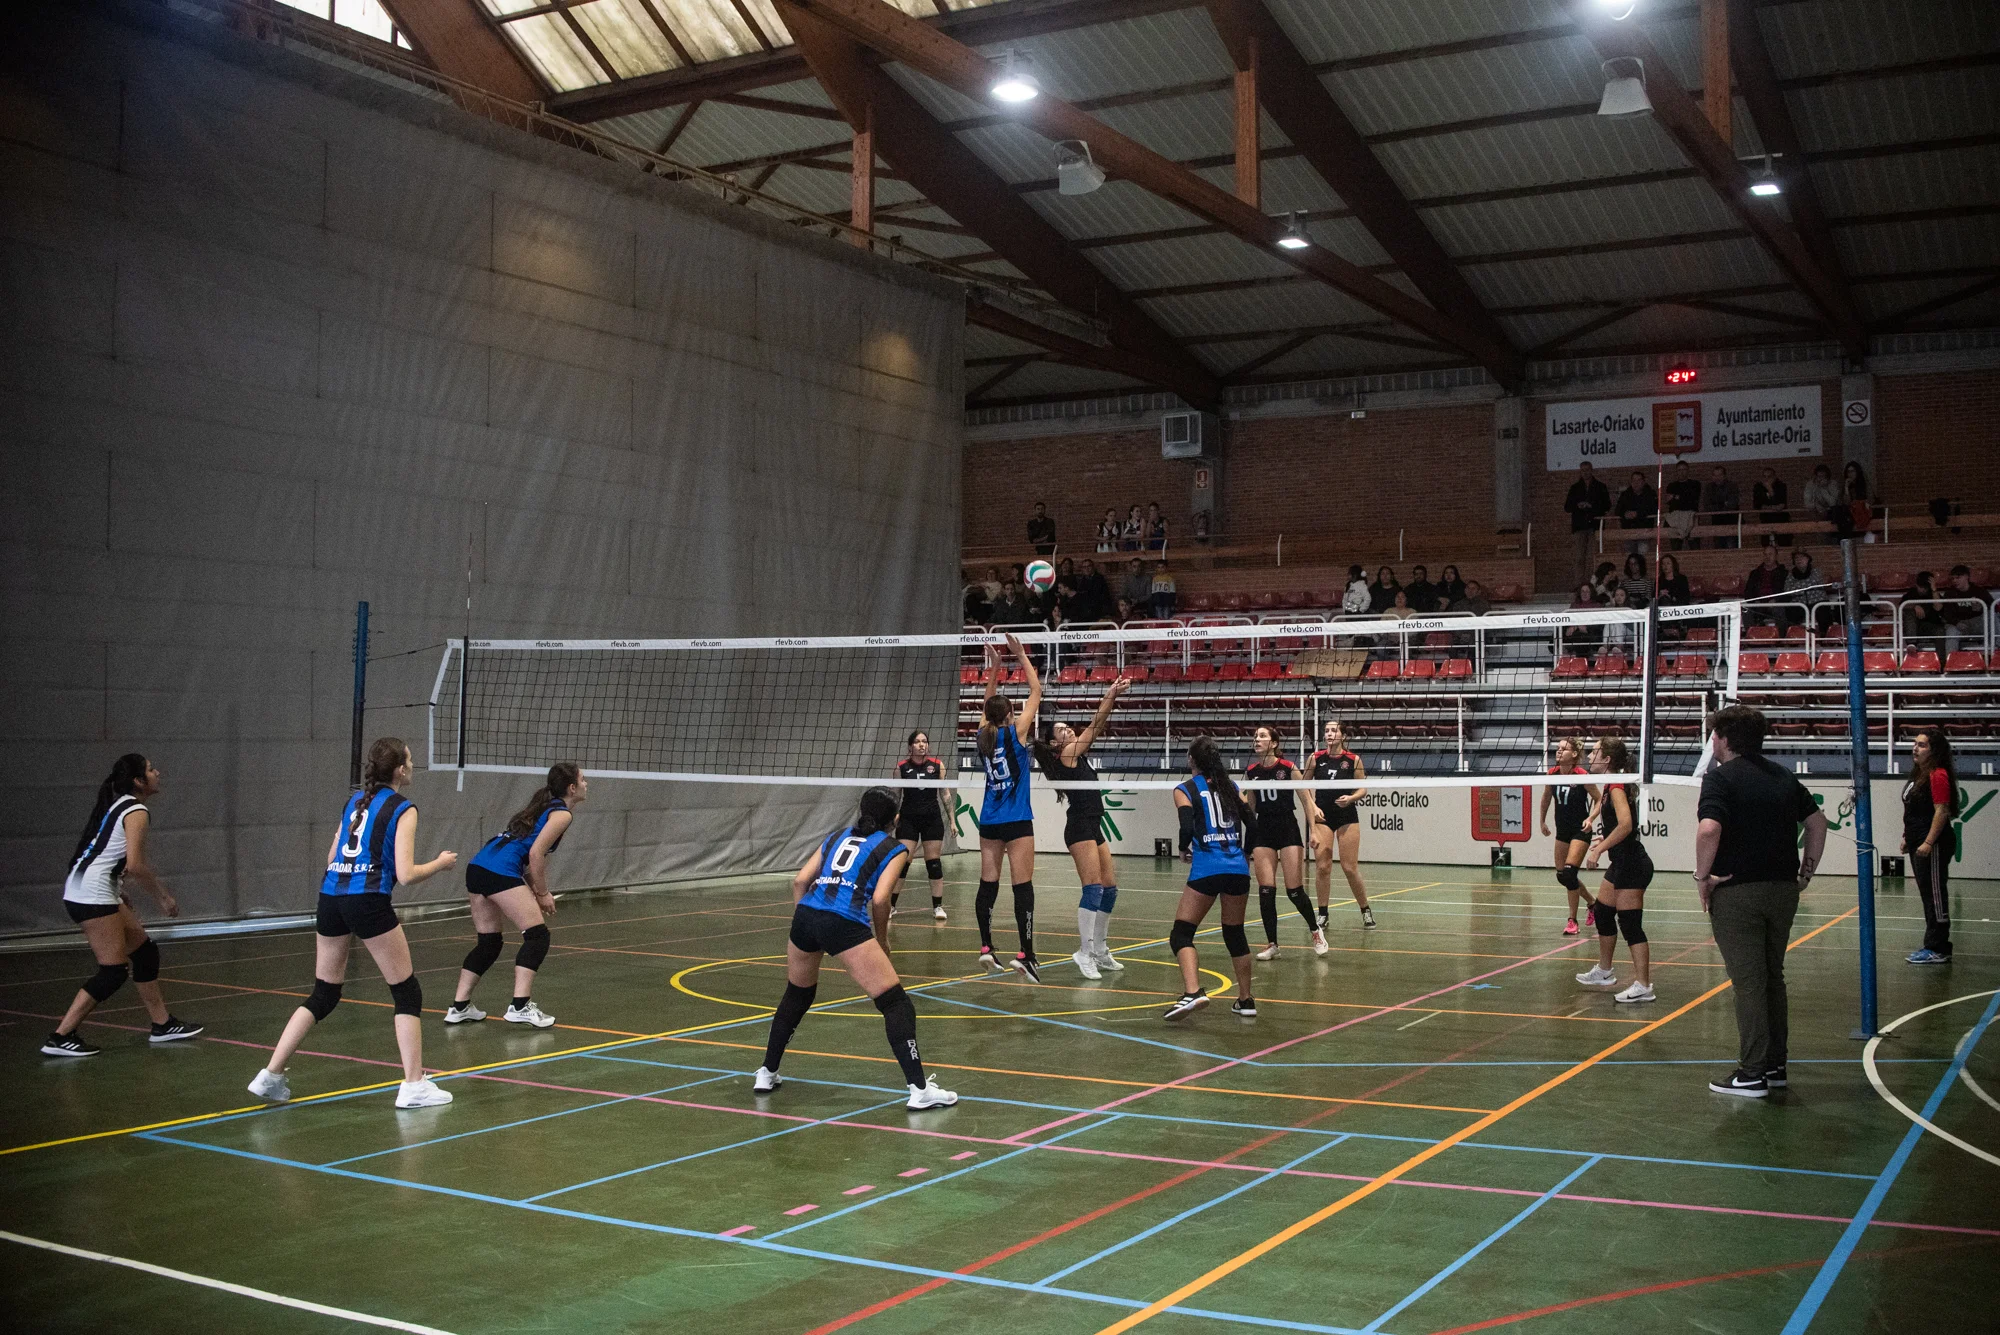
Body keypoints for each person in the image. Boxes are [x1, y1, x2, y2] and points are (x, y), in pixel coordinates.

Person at [248, 738, 458, 1109]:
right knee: (406, 991)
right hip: (367, 899)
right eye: (410, 759)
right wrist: (440, 864)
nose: (413, 765)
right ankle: (414, 1085)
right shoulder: (403, 808)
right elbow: (406, 874)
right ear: (400, 769)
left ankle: (271, 1074)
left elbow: (333, 855)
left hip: (330, 897)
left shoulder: (355, 802)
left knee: (324, 993)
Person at [751, 788, 958, 1109]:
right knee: (896, 1004)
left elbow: (799, 882)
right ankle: (920, 1090)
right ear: (896, 820)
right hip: (844, 921)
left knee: (797, 995)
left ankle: (766, 1073)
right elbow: (880, 899)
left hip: (806, 916)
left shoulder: (836, 837)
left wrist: (807, 922)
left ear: (862, 812)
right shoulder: (894, 848)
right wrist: (882, 941)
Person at [1693, 705, 1828, 1097]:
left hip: (1739, 893)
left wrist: (1702, 878)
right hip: (1783, 890)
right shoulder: (1782, 776)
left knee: (1750, 983)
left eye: (1714, 735)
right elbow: (1818, 823)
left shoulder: (1719, 779)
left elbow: (1708, 830)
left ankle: (1752, 1073)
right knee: (1772, 977)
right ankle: (1774, 1065)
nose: (1712, 742)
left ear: (1724, 739)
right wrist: (1805, 874)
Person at [42, 754, 203, 1057]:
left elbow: (105, 856)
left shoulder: (122, 805)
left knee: (144, 953)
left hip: (94, 889)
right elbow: (136, 865)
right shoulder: (136, 810)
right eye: (151, 770)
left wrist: (117, 890)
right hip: (91, 895)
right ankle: (61, 1036)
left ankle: (162, 1025)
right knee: (113, 971)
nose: (158, 772)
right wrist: (163, 897)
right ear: (139, 781)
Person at [445, 762, 585, 1029]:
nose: (586, 784)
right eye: (583, 779)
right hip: (500, 870)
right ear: (571, 787)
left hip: (478, 868)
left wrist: (536, 889)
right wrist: (542, 893)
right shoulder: (561, 814)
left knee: (489, 943)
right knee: (537, 936)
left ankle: (459, 1007)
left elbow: (528, 859)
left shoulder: (542, 807)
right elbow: (535, 854)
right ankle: (520, 1006)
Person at [1032, 678, 1131, 980]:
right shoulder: (1067, 755)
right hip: (1079, 827)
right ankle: (1084, 952)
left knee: (1109, 889)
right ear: (1054, 744)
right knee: (1093, 888)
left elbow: (1094, 727)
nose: (1068, 730)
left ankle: (1099, 949)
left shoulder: (1078, 755)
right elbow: (1096, 725)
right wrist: (1110, 695)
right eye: (1061, 730)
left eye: (1067, 727)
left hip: (1093, 824)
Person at [1163, 737, 1258, 1020]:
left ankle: (1193, 992)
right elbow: (1253, 824)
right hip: (1237, 870)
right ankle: (1246, 1000)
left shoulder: (1185, 789)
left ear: (1191, 760)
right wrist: (1246, 854)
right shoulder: (1232, 787)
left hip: (1207, 869)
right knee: (1235, 933)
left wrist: (1183, 849)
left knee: (1181, 934)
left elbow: (1186, 827)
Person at [976, 635, 1042, 980]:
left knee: (988, 884)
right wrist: (1020, 656)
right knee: (1022, 887)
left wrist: (995, 668)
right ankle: (1026, 954)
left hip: (989, 821)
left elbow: (988, 706)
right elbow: (1036, 691)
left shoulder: (982, 735)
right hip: (1016, 820)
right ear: (1010, 715)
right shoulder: (1016, 733)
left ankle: (986, 947)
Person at [1573, 736, 1656, 1003]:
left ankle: (1643, 986)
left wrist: (1598, 850)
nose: (1590, 756)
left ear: (1607, 759)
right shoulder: (1611, 784)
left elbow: (1626, 825)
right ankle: (1605, 971)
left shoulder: (1618, 786)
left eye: (1595, 752)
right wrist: (1603, 835)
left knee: (1630, 925)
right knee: (1602, 912)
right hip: (1622, 862)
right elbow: (1616, 824)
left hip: (1632, 864)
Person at [1242, 726, 1323, 960]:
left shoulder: (1288, 768)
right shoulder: (1252, 771)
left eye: (1262, 736)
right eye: (1255, 736)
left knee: (1294, 891)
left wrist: (1314, 831)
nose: (1257, 739)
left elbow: (1306, 801)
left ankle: (1315, 931)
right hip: (1263, 829)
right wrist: (1246, 842)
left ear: (1274, 743)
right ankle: (1272, 944)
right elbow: (1251, 808)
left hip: (1287, 827)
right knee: (1266, 890)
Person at [1308, 719, 1374, 929]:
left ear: (1343, 736)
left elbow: (1363, 789)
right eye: (1326, 731)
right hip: (1323, 816)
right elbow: (1302, 786)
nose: (1329, 734)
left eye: (1333, 731)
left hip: (1346, 815)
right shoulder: (1315, 758)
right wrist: (1312, 806)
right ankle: (1323, 914)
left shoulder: (1353, 759)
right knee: (1323, 867)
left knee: (1349, 868)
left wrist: (1351, 798)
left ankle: (1365, 910)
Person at [1903, 726, 1958, 965]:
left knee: (1935, 895)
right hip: (1918, 841)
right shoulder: (1918, 775)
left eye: (1922, 745)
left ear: (1934, 750)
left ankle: (1939, 947)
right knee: (1927, 895)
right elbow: (1914, 811)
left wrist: (1928, 842)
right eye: (1915, 743)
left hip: (1934, 844)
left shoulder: (1938, 775)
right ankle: (1932, 945)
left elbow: (1941, 811)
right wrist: (1907, 837)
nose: (1916, 748)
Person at [1539, 738, 1598, 936]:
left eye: (1563, 749)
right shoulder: (1552, 774)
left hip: (1580, 830)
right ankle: (1592, 903)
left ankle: (1572, 921)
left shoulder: (1582, 775)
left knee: (1570, 873)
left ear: (1573, 754)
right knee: (1562, 875)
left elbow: (1599, 799)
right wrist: (1542, 821)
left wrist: (1591, 818)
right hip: (1562, 830)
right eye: (1557, 748)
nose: (1558, 751)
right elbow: (1546, 797)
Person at [894, 730, 952, 921]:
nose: (921, 745)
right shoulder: (901, 767)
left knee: (934, 864)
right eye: (918, 742)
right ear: (910, 746)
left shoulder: (937, 765)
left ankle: (938, 907)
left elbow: (945, 793)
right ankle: (891, 906)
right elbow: (895, 795)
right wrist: (894, 816)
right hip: (908, 819)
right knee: (902, 863)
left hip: (931, 819)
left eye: (924, 741)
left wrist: (952, 820)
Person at [1565, 462, 1611, 582]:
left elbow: (1607, 505)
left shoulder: (1600, 487)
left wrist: (1592, 506)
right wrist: (1578, 505)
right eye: (1583, 470)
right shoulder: (1575, 488)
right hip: (1579, 526)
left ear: (1592, 470)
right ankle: (1579, 584)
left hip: (1594, 525)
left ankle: (1592, 583)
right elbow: (1567, 507)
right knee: (1579, 557)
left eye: (1587, 470)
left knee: (1593, 557)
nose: (1585, 472)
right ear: (1580, 472)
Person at [1941, 565, 1985, 654]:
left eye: (1958, 578)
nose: (1955, 581)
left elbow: (1992, 607)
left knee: (1992, 617)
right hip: (1958, 624)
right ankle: (1951, 659)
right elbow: (1947, 614)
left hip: (1976, 623)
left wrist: (1981, 608)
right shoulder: (1949, 593)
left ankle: (1994, 651)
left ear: (1966, 577)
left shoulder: (1979, 591)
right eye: (1953, 579)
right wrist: (1956, 622)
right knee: (1951, 631)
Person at [1786, 548, 1833, 632]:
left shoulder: (1816, 571)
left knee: (1823, 612)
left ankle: (1825, 636)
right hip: (1799, 604)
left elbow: (1818, 583)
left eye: (1802, 557)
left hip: (1818, 602)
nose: (1799, 560)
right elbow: (1788, 589)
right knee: (1791, 613)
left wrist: (1799, 588)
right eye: (1796, 558)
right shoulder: (1791, 575)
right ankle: (1794, 636)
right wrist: (1807, 587)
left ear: (1808, 559)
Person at [1744, 541, 1787, 626]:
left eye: (1770, 554)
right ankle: (1751, 633)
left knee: (1779, 610)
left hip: (1775, 604)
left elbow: (1787, 592)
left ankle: (1782, 634)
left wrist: (1776, 600)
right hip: (1758, 604)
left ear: (1776, 556)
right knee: (1745, 611)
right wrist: (1754, 601)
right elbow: (1748, 591)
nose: (1767, 557)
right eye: (1765, 554)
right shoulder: (1755, 573)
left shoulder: (1784, 573)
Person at [1902, 572, 1947, 652]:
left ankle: (1941, 659)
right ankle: (1912, 645)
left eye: (1925, 588)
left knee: (1940, 631)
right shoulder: (1911, 593)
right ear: (1916, 585)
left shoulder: (1934, 594)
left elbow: (1938, 608)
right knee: (1909, 613)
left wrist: (1934, 589)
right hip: (1915, 627)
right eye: (1920, 587)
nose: (1922, 590)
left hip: (1932, 625)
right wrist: (1914, 606)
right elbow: (1901, 606)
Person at [1615, 470, 1657, 554]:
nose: (1636, 483)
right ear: (1631, 482)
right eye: (1634, 480)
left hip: (1644, 531)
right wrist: (1625, 514)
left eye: (1639, 480)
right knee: (1630, 556)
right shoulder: (1625, 495)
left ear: (1643, 482)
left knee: (1642, 554)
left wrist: (1638, 514)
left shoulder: (1650, 494)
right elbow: (1618, 510)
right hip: (1628, 532)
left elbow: (1654, 509)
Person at [1664, 459, 1703, 550]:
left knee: (1694, 546)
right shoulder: (1671, 486)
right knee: (1676, 547)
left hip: (1690, 518)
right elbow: (1670, 502)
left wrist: (1676, 497)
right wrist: (1683, 497)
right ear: (1676, 471)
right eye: (1679, 470)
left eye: (1684, 469)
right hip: (1675, 519)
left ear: (1688, 470)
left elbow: (1693, 500)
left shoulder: (1695, 484)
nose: (1682, 472)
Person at [1702, 465, 1741, 549]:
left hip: (1731, 522)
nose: (1717, 478)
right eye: (1715, 475)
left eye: (1720, 475)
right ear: (1712, 476)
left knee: (1732, 548)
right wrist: (1723, 504)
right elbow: (1707, 506)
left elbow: (1732, 504)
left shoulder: (1732, 486)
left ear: (1725, 476)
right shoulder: (1709, 488)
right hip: (1716, 523)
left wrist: (1716, 505)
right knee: (1719, 549)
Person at [1753, 467, 1791, 545]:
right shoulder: (1758, 487)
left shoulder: (1781, 486)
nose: (1766, 479)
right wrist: (1772, 507)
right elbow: (1757, 505)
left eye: (1769, 476)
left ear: (1774, 476)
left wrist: (1771, 490)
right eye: (1764, 476)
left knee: (1784, 543)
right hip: (1766, 519)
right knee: (1766, 544)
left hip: (1781, 519)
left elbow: (1781, 503)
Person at [1802, 463, 1841, 532]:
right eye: (1819, 476)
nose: (1820, 479)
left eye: (1823, 476)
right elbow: (1807, 503)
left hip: (1833, 516)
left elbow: (1833, 503)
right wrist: (1816, 505)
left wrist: (1823, 488)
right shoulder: (1810, 485)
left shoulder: (1833, 484)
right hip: (1817, 516)